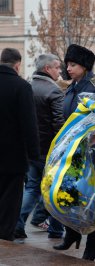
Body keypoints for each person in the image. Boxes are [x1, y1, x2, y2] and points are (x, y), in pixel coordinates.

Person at [52, 44, 95, 262]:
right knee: (69, 193)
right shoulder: (72, 86)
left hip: (91, 150)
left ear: (85, 67)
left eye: (73, 64)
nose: (68, 68)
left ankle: (92, 246)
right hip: (72, 150)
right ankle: (71, 234)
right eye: (67, 64)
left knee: (90, 198)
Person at [14, 54, 65, 240]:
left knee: (32, 188)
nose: (60, 71)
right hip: (49, 151)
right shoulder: (53, 91)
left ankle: (18, 223)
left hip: (30, 149)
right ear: (47, 69)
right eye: (57, 67)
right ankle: (56, 229)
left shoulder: (27, 86)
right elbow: (59, 123)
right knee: (54, 190)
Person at [0, 48, 40, 241]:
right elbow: (29, 124)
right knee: (10, 202)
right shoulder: (21, 86)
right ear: (17, 65)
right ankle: (4, 238)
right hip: (13, 157)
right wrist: (34, 154)